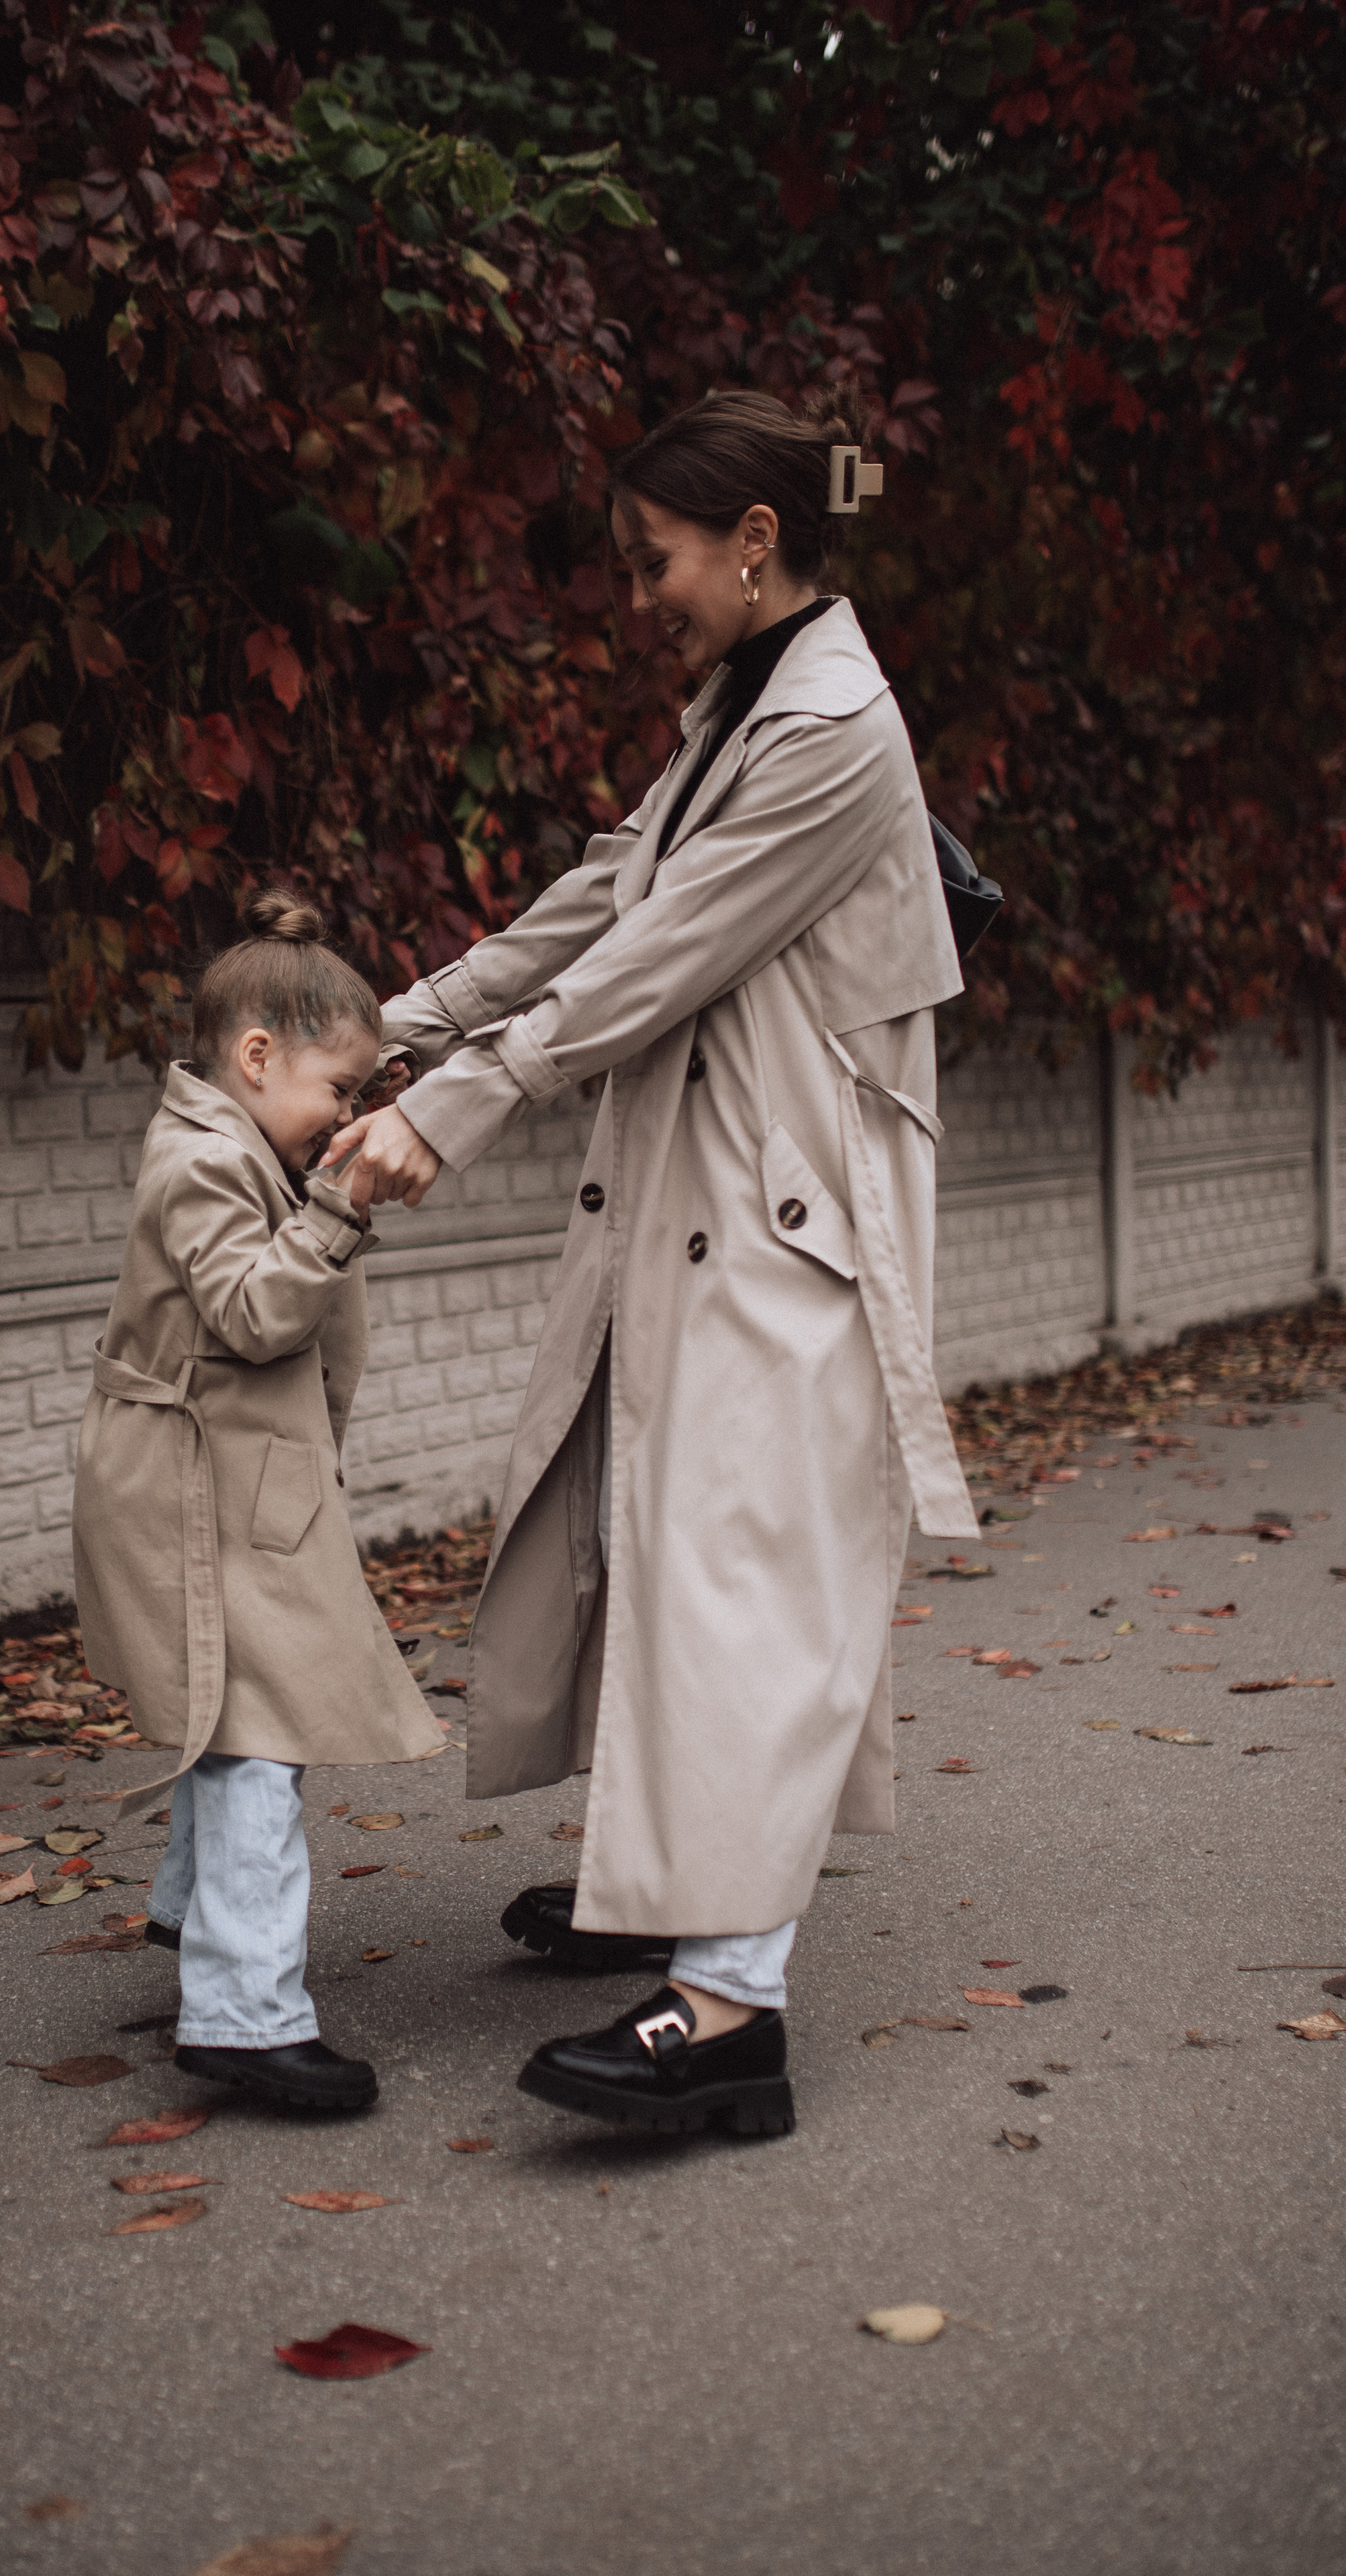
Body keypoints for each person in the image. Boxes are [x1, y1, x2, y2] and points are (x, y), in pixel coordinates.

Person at [322, 384, 979, 2138]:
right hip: (721, 1184)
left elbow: (660, 957)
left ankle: (728, 2017)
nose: (640, 595)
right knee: (650, 1544)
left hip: (791, 1217)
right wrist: (388, 1020)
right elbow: (615, 887)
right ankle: (669, 1895)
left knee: (743, 1584)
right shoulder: (748, 707)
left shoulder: (835, 725)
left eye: (657, 560)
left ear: (755, 544)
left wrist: (449, 1103)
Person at [72, 896, 444, 2114]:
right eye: (337, 1091)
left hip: (238, 1487)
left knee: (230, 1708)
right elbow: (249, 1312)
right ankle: (244, 2017)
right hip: (197, 1496)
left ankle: (193, 1920)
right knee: (254, 1741)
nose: (347, 1117)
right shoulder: (203, 1163)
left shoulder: (247, 1147)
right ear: (256, 1059)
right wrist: (339, 1208)